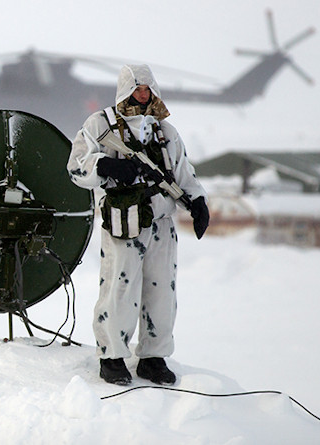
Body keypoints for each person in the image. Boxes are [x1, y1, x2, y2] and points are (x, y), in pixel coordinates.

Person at [67, 64, 210, 386]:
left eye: (147, 89)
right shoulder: (101, 124)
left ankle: (153, 357)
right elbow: (76, 166)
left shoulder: (164, 131)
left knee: (162, 291)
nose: (142, 95)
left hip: (161, 221)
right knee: (120, 287)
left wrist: (198, 201)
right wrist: (105, 165)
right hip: (125, 220)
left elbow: (183, 171)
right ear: (125, 90)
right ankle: (112, 356)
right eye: (136, 89)